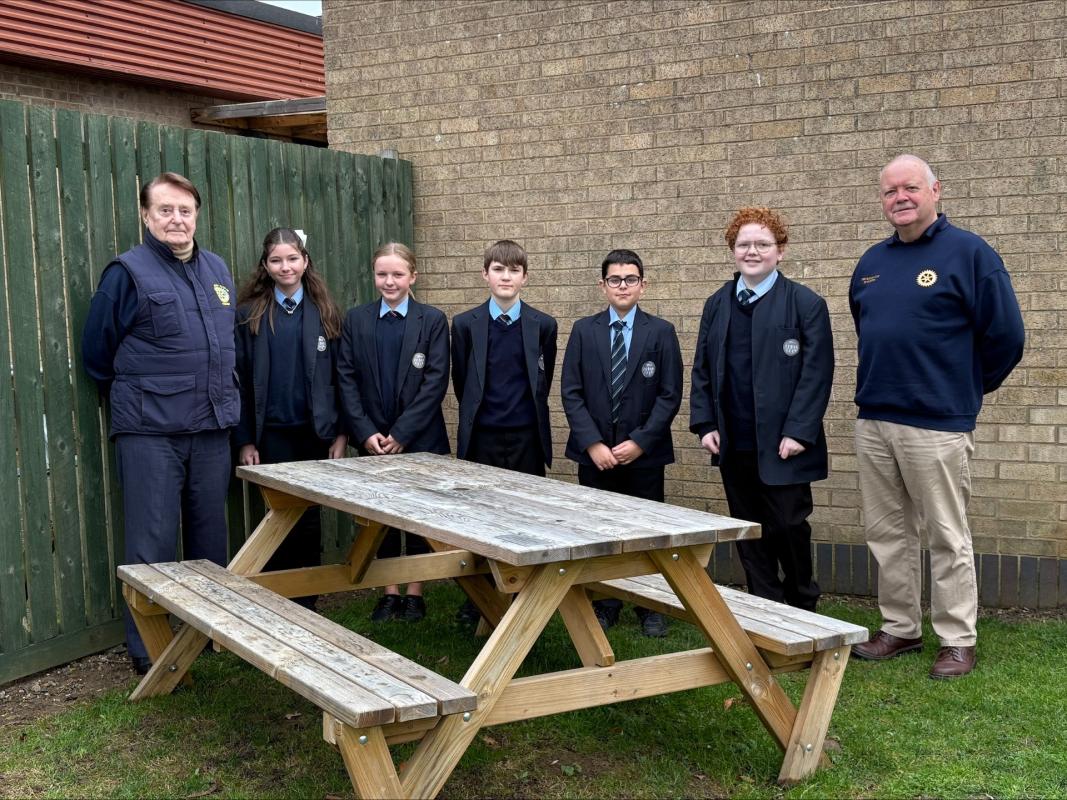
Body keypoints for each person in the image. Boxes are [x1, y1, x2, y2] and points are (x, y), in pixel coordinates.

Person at [849, 154, 1025, 679]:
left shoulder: (969, 254)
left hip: (937, 424)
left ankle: (956, 637)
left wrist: (965, 388)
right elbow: (869, 328)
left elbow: (1007, 338)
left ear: (935, 191)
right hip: (875, 419)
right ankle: (900, 627)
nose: (900, 198)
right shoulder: (871, 262)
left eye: (910, 188)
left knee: (946, 534)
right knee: (888, 533)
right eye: (889, 191)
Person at [82, 172, 240, 675]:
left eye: (185, 210)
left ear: (197, 215)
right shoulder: (126, 273)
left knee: (209, 539)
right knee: (150, 546)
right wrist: (143, 396)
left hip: (211, 428)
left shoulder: (216, 270)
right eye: (165, 210)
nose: (177, 219)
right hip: (151, 432)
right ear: (146, 216)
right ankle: (147, 650)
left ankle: (207, 635)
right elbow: (97, 353)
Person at [690, 207, 834, 612]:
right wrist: (704, 425)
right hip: (733, 443)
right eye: (744, 244)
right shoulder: (717, 304)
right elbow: (702, 368)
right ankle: (766, 607)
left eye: (762, 244)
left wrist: (799, 431)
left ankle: (803, 603)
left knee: (788, 526)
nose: (752, 251)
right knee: (750, 531)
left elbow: (817, 373)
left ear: (780, 251)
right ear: (733, 251)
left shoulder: (805, 304)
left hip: (785, 442)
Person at [561, 249, 682, 637]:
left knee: (647, 530)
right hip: (595, 456)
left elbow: (669, 394)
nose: (623, 285)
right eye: (615, 279)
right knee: (600, 531)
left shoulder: (660, 332)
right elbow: (571, 392)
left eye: (631, 279)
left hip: (643, 455)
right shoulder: (584, 330)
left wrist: (640, 442)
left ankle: (649, 604)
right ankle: (605, 601)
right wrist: (593, 443)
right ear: (603, 285)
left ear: (642, 285)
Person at [233, 228, 348, 608]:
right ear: (265, 266)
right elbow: (240, 380)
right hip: (272, 434)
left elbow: (340, 378)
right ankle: (278, 595)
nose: (286, 267)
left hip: (314, 433)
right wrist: (247, 438)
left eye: (292, 259)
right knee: (279, 515)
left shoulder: (324, 311)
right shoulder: (249, 314)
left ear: (305, 262)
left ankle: (307, 599)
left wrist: (340, 432)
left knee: (309, 517)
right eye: (277, 260)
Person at [336, 242, 450, 623]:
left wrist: (401, 433)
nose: (389, 281)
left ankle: (415, 592)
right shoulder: (357, 319)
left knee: (418, 517)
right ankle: (388, 593)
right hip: (373, 440)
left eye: (398, 274)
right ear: (374, 276)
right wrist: (366, 432)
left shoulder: (431, 320)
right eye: (382, 274)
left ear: (412, 277)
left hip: (419, 438)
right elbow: (346, 379)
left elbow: (435, 382)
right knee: (380, 518)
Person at [451, 240, 558, 625]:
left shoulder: (543, 324)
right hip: (483, 437)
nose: (506, 276)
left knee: (525, 519)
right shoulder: (465, 325)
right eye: (498, 269)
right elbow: (462, 383)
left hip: (526, 437)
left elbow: (541, 381)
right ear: (485, 274)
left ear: (524, 277)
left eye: (514, 270)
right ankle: (478, 594)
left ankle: (524, 592)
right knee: (481, 519)